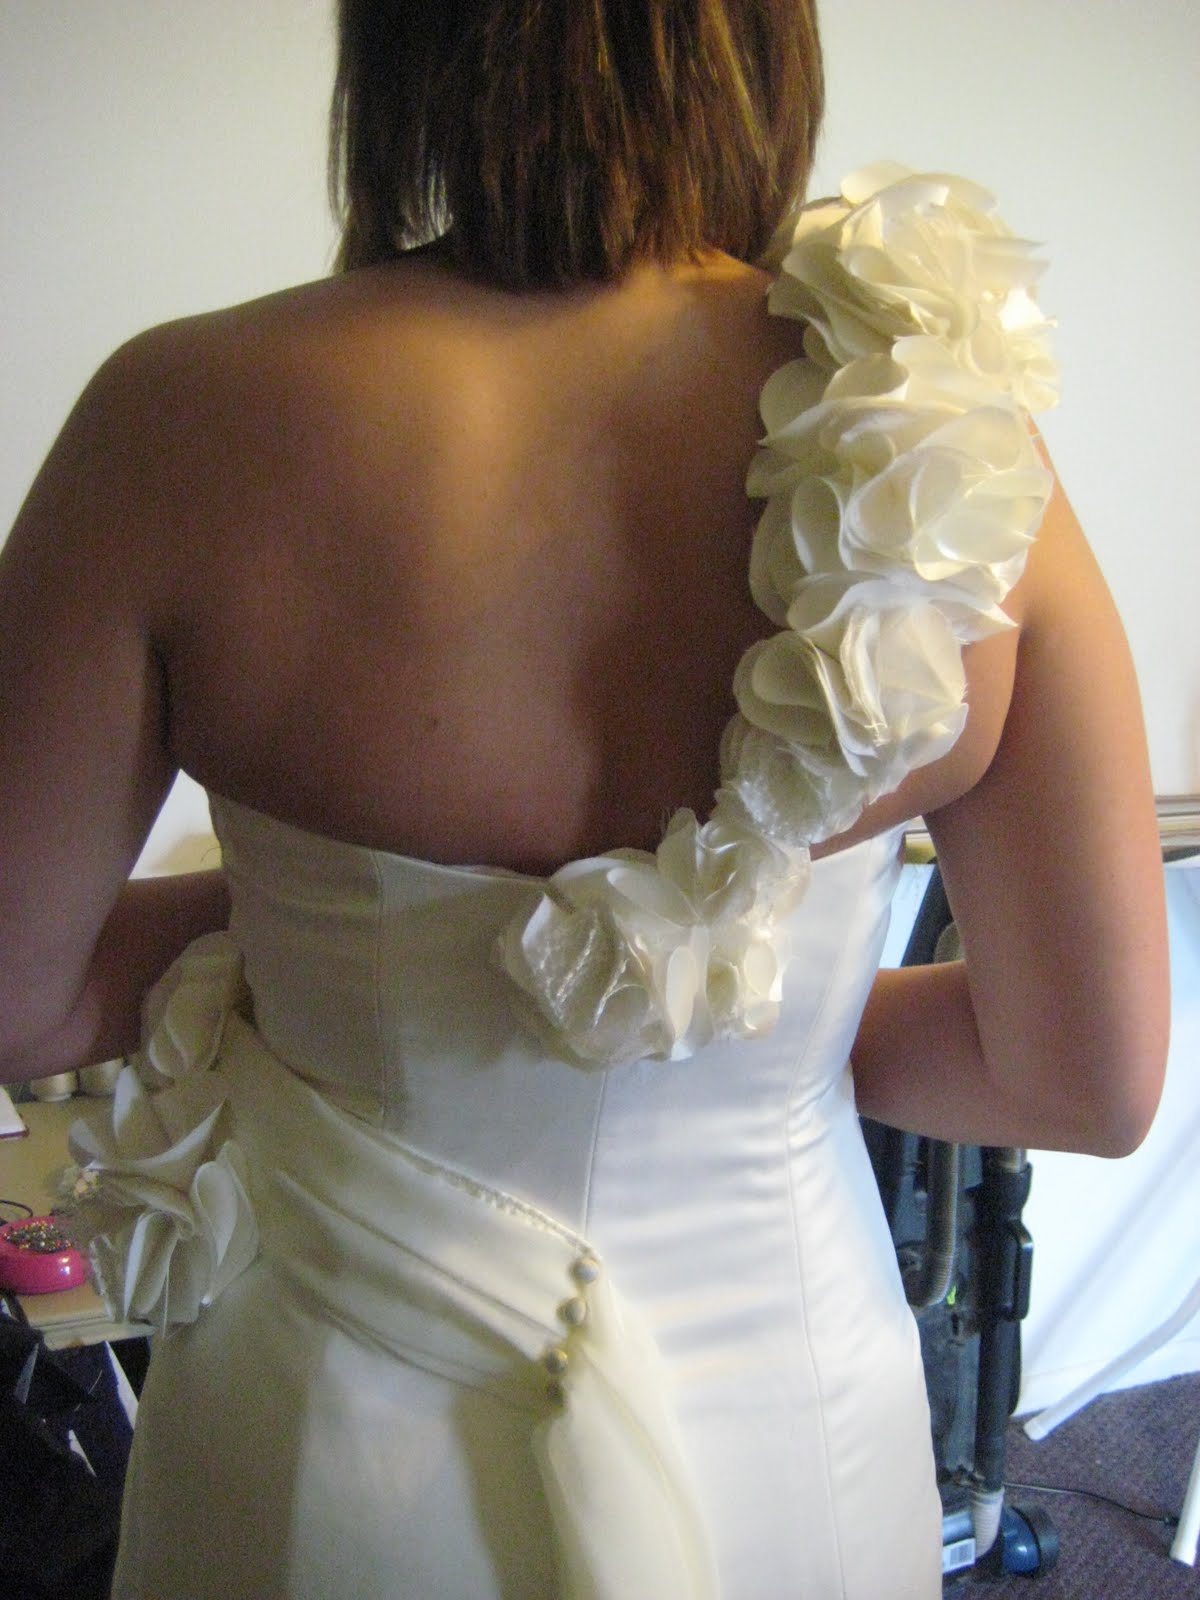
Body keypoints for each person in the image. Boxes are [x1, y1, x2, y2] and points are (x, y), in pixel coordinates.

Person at [0, 2, 1168, 1596]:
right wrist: (756, 1025)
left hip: (330, 1430)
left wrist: (327, 934)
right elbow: (1085, 1079)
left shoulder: (177, 417)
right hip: (790, 1435)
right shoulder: (944, 447)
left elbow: (20, 995)